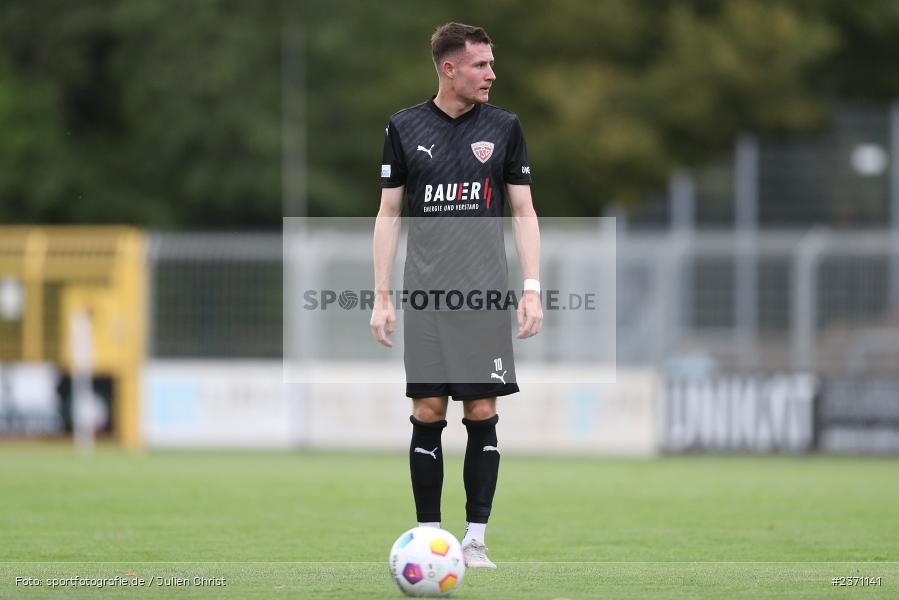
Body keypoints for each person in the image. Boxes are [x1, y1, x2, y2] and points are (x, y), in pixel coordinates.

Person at [370, 22, 542, 570]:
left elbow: (523, 210)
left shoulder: (505, 127)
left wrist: (532, 288)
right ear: (450, 68)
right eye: (481, 65)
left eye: (492, 63)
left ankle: (474, 540)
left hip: (485, 297)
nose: (492, 74)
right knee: (426, 410)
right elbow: (389, 213)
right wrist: (381, 295)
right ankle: (428, 539)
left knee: (483, 409)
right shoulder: (404, 126)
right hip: (424, 298)